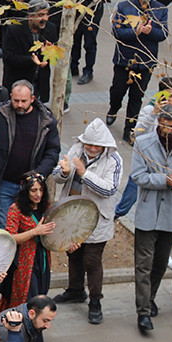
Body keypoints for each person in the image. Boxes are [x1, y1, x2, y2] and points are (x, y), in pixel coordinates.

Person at [131, 103, 172, 333]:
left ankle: (150, 297)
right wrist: (164, 181)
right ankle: (143, 312)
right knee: (143, 264)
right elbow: (138, 176)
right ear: (159, 123)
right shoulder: (142, 143)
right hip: (148, 212)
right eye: (168, 126)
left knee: (159, 263)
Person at [51, 119, 123, 324]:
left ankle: (95, 301)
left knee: (92, 260)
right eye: (88, 144)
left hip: (97, 218)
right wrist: (64, 172)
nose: (91, 148)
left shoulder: (114, 160)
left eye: (95, 145)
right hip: (73, 214)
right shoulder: (75, 150)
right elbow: (58, 176)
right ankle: (75, 289)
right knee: (73, 253)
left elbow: (109, 189)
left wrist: (84, 173)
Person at [0, 81, 60, 232]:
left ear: (33, 99)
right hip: (4, 184)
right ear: (10, 97)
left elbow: (53, 151)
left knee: (29, 229)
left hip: (31, 187)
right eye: (16, 101)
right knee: (3, 231)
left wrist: (38, 175)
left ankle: (22, 256)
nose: (20, 105)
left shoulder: (46, 120)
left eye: (24, 101)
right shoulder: (0, 113)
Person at [108, 0, 168, 143]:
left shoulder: (160, 9)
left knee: (136, 97)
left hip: (145, 62)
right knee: (117, 91)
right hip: (124, 61)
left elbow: (163, 34)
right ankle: (114, 108)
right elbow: (118, 33)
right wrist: (136, 31)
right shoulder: (124, 6)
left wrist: (150, 31)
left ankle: (129, 129)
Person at [0, 172, 53, 312]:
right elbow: (10, 237)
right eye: (34, 190)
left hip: (42, 257)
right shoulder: (16, 209)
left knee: (41, 294)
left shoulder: (46, 207)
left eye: (41, 190)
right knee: (27, 296)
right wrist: (34, 232)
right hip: (24, 260)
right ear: (26, 191)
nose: (38, 194)